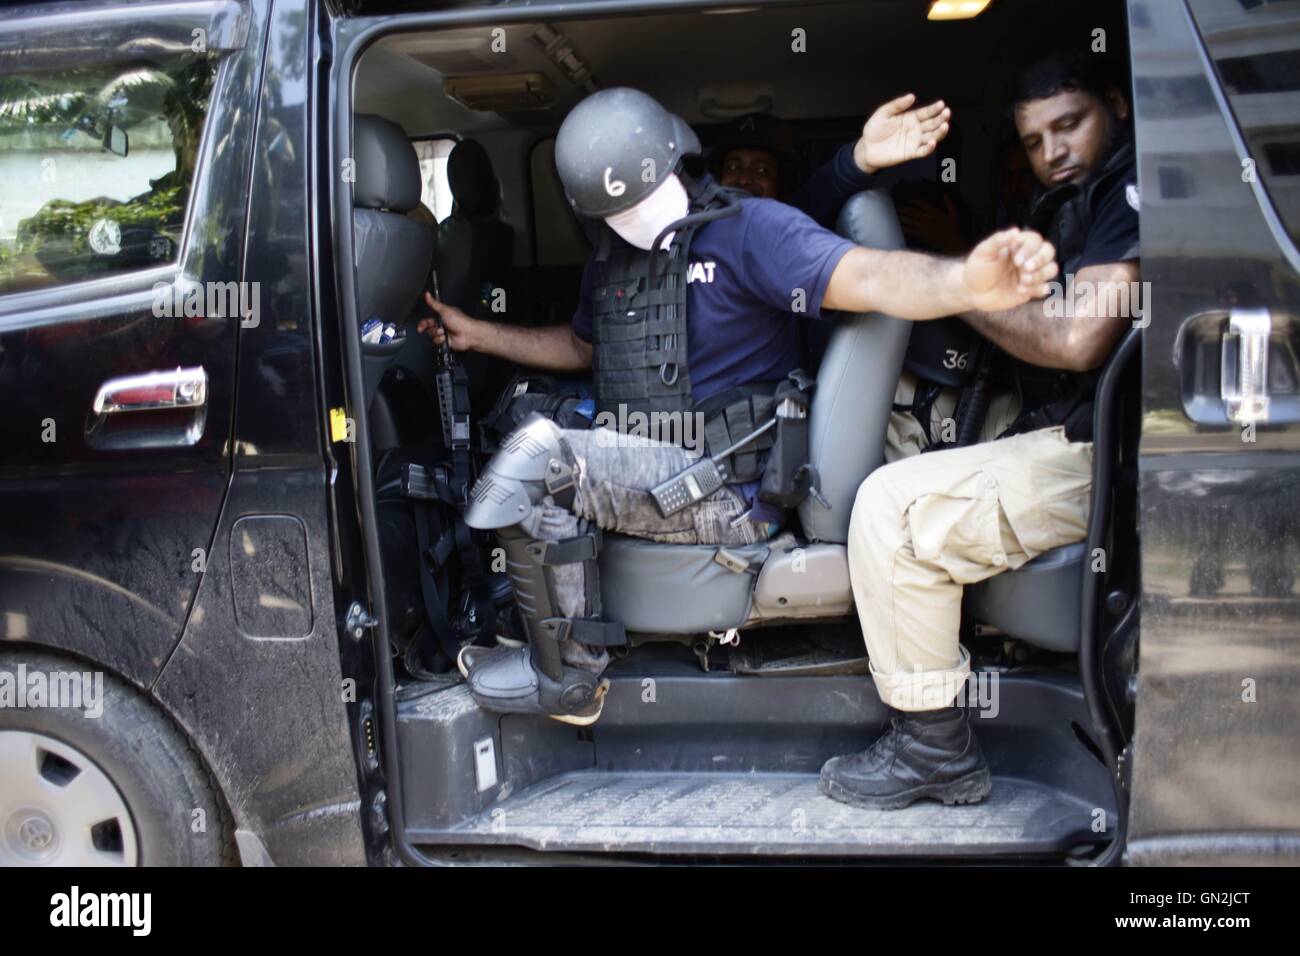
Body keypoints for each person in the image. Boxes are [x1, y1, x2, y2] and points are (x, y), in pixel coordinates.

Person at [420, 86, 1057, 725]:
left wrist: (963, 280)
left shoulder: (751, 230)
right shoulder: (611, 255)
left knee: (542, 462)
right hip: (651, 465)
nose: (632, 217)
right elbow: (585, 346)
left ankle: (567, 679)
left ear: (679, 159)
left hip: (725, 488)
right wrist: (480, 333)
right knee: (528, 421)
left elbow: (866, 276)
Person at [820, 50, 1142, 810]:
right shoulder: (1066, 204)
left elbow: (1073, 340)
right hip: (1074, 425)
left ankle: (935, 750)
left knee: (893, 508)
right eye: (1034, 140)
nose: (1053, 152)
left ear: (1119, 108)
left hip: (1111, 449)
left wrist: (952, 283)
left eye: (1071, 125)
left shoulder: (1130, 192)